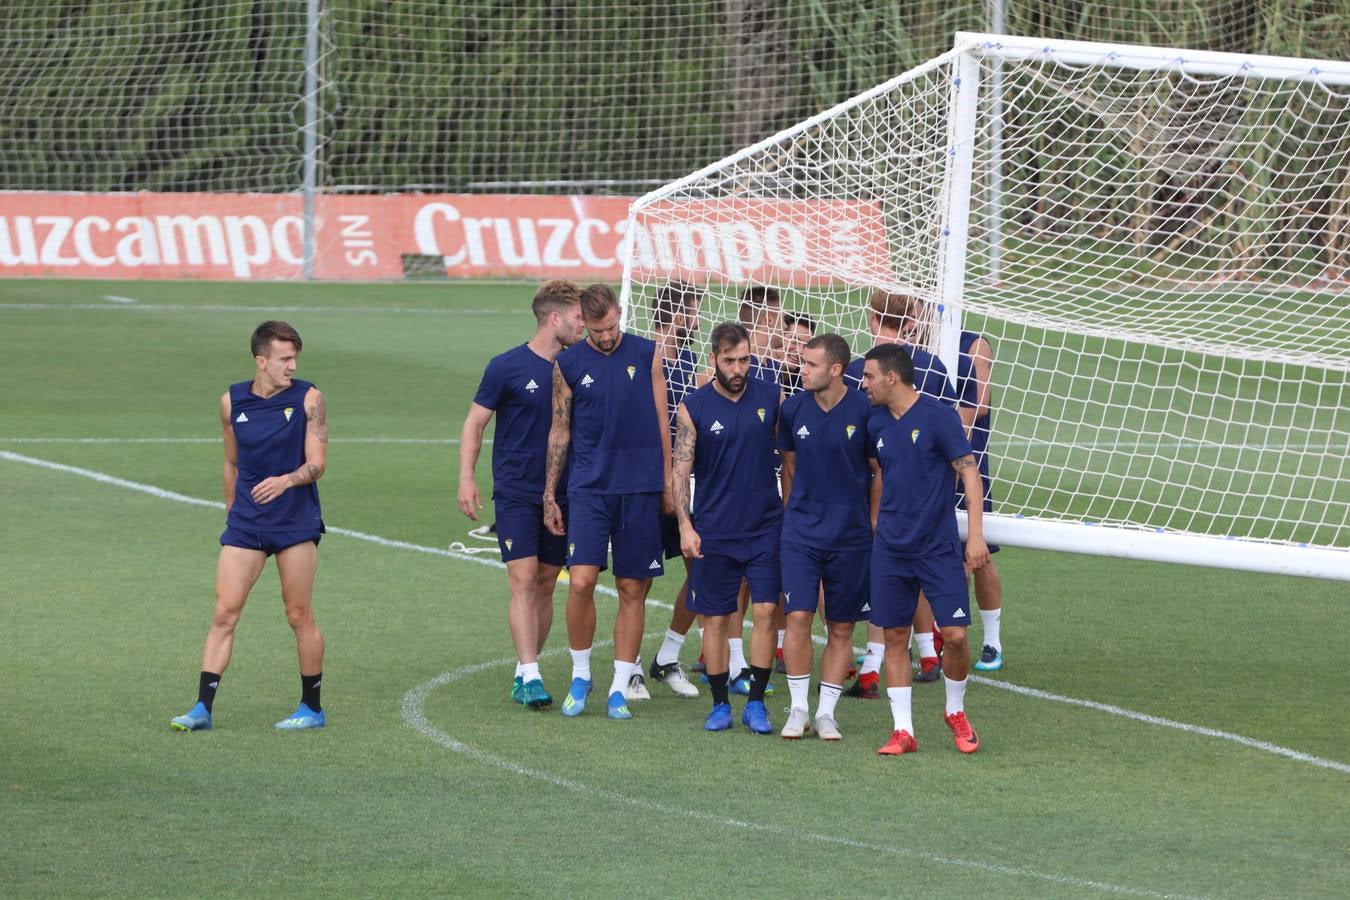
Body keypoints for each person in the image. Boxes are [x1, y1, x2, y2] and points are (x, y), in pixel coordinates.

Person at [170, 321, 329, 732]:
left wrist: (287, 480)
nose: (292, 366)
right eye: (284, 359)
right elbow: (231, 461)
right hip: (246, 525)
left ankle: (311, 708)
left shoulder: (310, 399)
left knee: (298, 615)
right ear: (261, 361)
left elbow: (317, 464)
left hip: (295, 523)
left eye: (295, 358)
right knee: (224, 612)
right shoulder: (231, 402)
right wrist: (232, 509)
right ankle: (202, 708)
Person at [543, 283, 671, 720]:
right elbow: (560, 430)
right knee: (579, 582)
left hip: (639, 490)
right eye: (597, 330)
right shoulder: (568, 363)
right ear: (584, 323)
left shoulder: (648, 354)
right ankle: (581, 674)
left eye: (611, 327)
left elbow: (661, 421)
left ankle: (620, 684)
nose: (605, 336)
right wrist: (549, 493)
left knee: (632, 588)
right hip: (589, 489)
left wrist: (670, 484)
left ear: (619, 313)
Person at [459, 279, 586, 709]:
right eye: (577, 317)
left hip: (564, 493)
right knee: (524, 579)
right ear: (555, 318)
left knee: (548, 582)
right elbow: (475, 423)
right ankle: (532, 675)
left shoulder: (577, 366)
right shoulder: (506, 367)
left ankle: (522, 668)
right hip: (515, 491)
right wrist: (466, 477)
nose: (583, 325)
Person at [860, 344, 990, 755]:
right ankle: (903, 730)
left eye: (869, 377)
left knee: (953, 636)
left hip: (936, 547)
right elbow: (877, 472)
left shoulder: (938, 417)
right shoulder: (874, 423)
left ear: (891, 378)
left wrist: (976, 535)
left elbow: (969, 474)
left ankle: (954, 711)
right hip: (891, 549)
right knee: (895, 634)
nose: (863, 384)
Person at [843, 291, 958, 694]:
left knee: (885, 580)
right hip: (929, 497)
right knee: (916, 575)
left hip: (871, 492)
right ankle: (927, 650)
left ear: (873, 317)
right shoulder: (937, 368)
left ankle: (874, 665)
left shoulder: (860, 370)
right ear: (910, 317)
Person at [671, 322, 784, 734]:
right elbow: (679, 472)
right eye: (730, 361)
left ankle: (756, 701)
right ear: (714, 359)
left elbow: (790, 460)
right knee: (716, 619)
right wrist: (685, 524)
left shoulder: (772, 397)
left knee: (767, 611)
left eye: (745, 360)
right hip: (715, 530)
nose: (739, 369)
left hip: (765, 528)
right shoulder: (693, 407)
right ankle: (720, 703)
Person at [777, 333, 873, 740]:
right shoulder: (792, 409)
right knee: (797, 616)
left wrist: (871, 521)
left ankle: (826, 714)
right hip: (800, 532)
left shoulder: (866, 411)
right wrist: (791, 517)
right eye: (803, 362)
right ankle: (798, 709)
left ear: (836, 370)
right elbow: (790, 467)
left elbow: (878, 471)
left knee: (840, 626)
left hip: (851, 536)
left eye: (811, 364)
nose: (803, 369)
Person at [642, 281, 705, 700]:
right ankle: (626, 670)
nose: (698, 319)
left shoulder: (688, 356)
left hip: (683, 486)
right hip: (648, 484)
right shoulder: (652, 357)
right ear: (681, 314)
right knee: (637, 579)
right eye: (695, 310)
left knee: (704, 569)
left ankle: (666, 656)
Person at [955, 327, 1006, 671]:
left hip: (967, 464)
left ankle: (991, 640)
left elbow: (980, 404)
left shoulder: (974, 344)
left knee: (977, 553)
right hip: (922, 464)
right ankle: (932, 641)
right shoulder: (911, 343)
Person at [738, 286, 784, 385]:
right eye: (782, 319)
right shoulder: (738, 367)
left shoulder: (773, 365)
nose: (785, 326)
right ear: (769, 319)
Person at [778, 313, 815, 395]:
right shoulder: (758, 372)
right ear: (778, 337)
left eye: (806, 345)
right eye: (795, 341)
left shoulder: (806, 383)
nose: (800, 351)